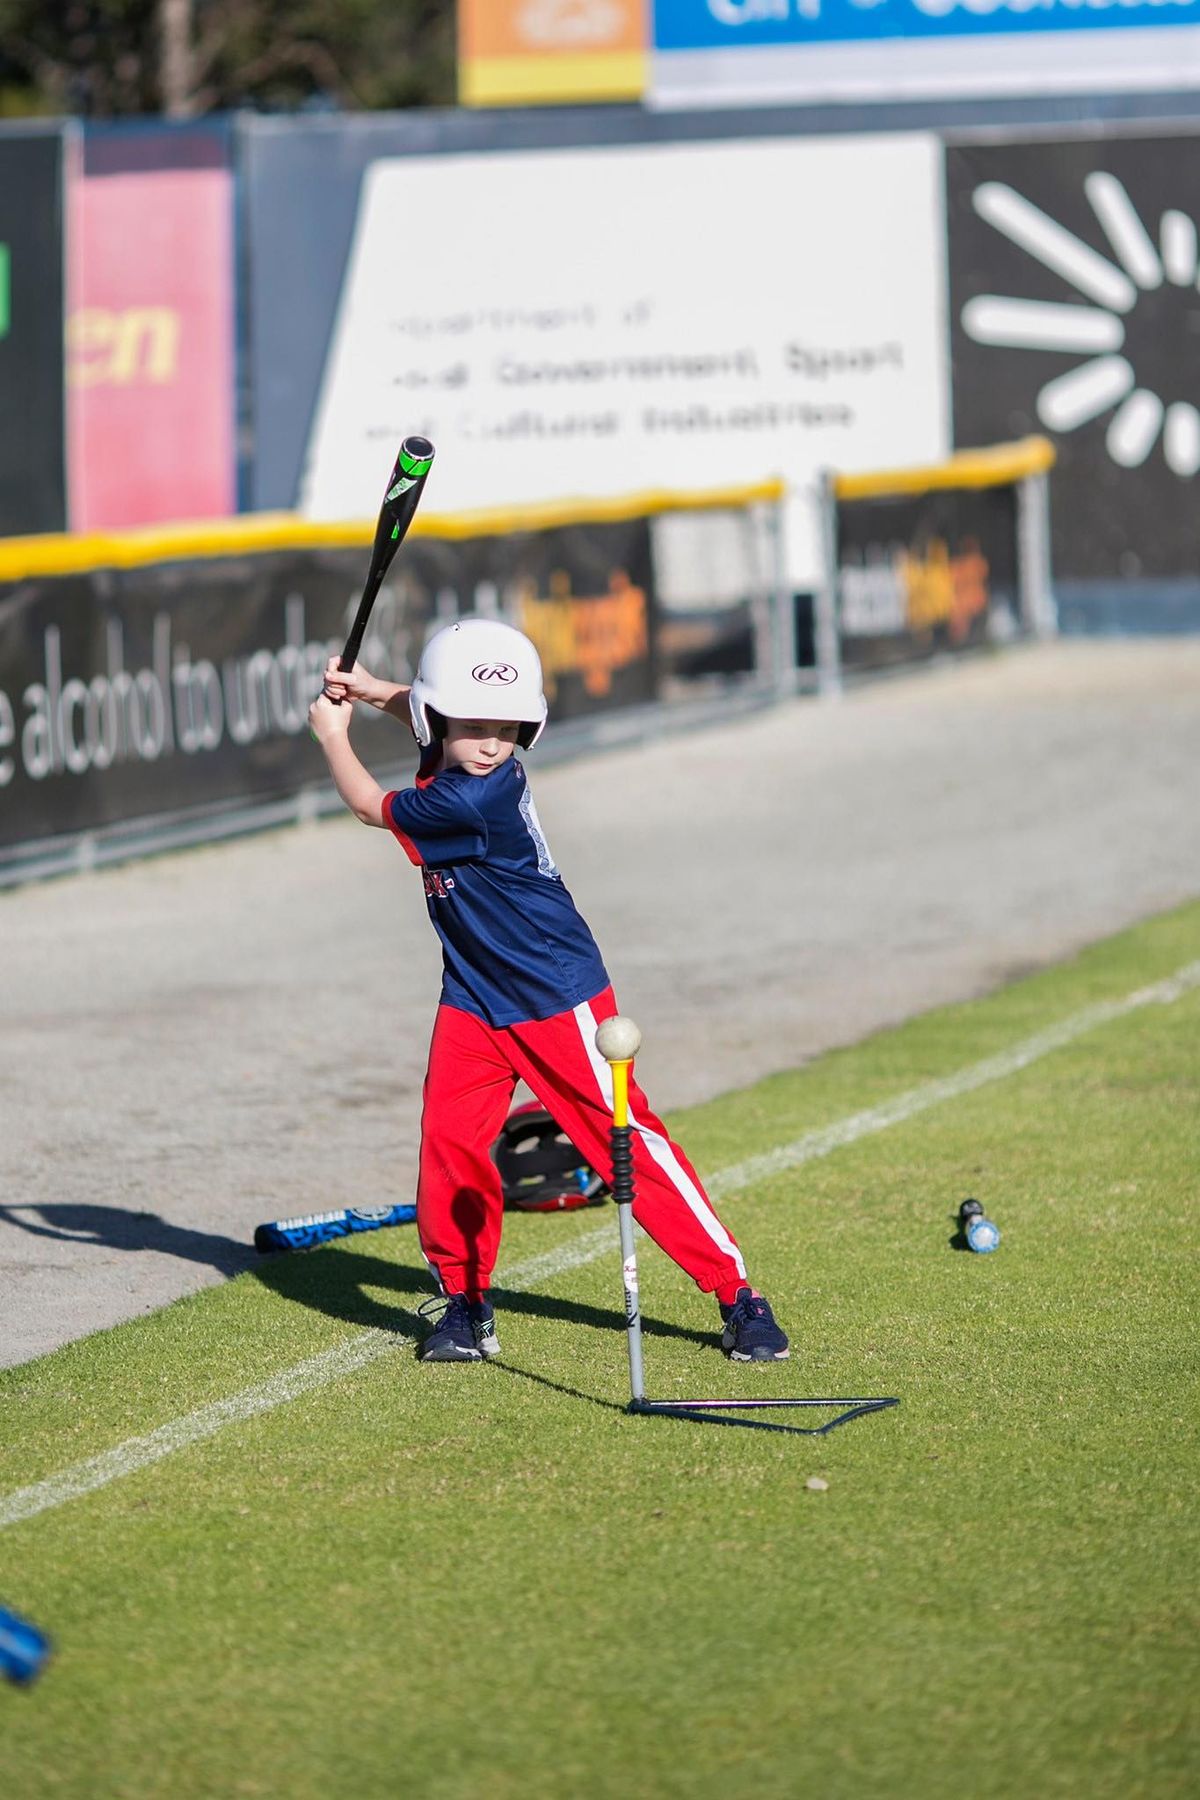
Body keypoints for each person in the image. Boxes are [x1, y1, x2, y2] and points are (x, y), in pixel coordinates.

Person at [307, 617, 789, 1366]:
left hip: (554, 993)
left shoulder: (473, 797)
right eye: (475, 724)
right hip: (472, 993)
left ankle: (737, 1295)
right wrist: (373, 693)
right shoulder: (450, 747)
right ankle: (466, 1303)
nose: (491, 741)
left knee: (627, 1144)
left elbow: (372, 805)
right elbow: (430, 720)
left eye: (507, 727)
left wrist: (333, 736)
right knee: (449, 1145)